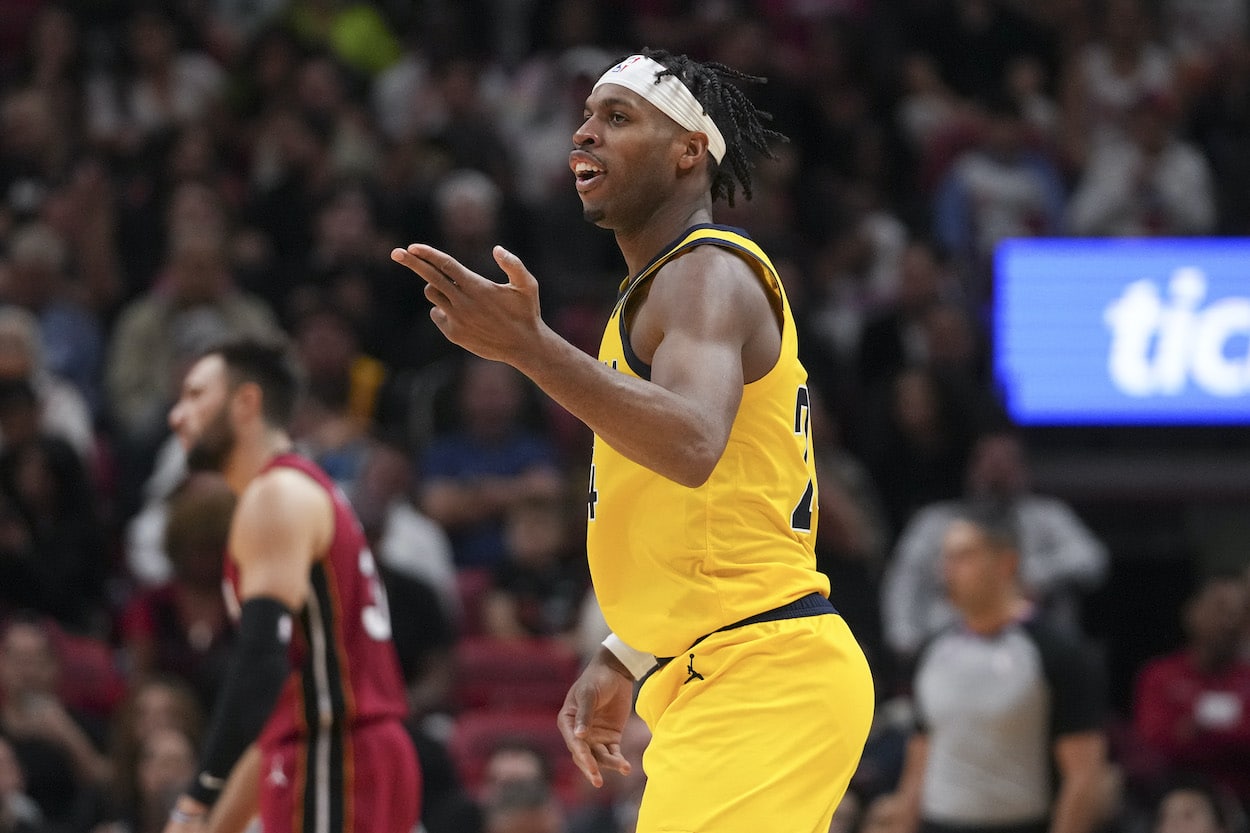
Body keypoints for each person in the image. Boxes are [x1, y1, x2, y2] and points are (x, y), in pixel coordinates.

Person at [392, 48, 875, 833]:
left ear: (690, 150)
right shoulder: (662, 292)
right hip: (725, 669)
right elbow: (712, 510)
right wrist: (627, 649)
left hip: (763, 674)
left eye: (617, 118)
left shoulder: (705, 273)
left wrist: (530, 347)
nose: (585, 135)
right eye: (585, 118)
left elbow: (691, 445)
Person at [161, 338, 420, 833]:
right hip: (354, 753)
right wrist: (213, 823)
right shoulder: (303, 489)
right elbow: (287, 701)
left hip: (335, 757)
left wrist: (196, 797)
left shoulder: (275, 495)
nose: (177, 415)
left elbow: (261, 662)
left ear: (246, 403)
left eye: (195, 396)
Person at [892, 506, 1114, 833]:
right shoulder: (933, 652)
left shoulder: (1059, 652)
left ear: (1006, 563)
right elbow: (918, 764)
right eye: (946, 558)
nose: (947, 570)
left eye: (964, 556)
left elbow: (1083, 777)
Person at [1131, 573, 1250, 808]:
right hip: (1174, 800)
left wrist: (1196, 731)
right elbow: (1154, 742)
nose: (1230, 621)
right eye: (1220, 608)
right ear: (1192, 612)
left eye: (1240, 612)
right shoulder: (1160, 675)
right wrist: (1232, 735)